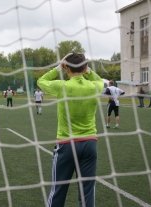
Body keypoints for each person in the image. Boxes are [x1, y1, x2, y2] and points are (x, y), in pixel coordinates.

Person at [37, 53, 103, 207]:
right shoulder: (94, 86)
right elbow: (100, 81)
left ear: (66, 68)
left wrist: (58, 67)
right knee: (88, 192)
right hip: (90, 144)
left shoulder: (62, 86)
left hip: (66, 144)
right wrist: (89, 71)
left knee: (58, 190)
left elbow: (41, 81)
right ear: (85, 67)